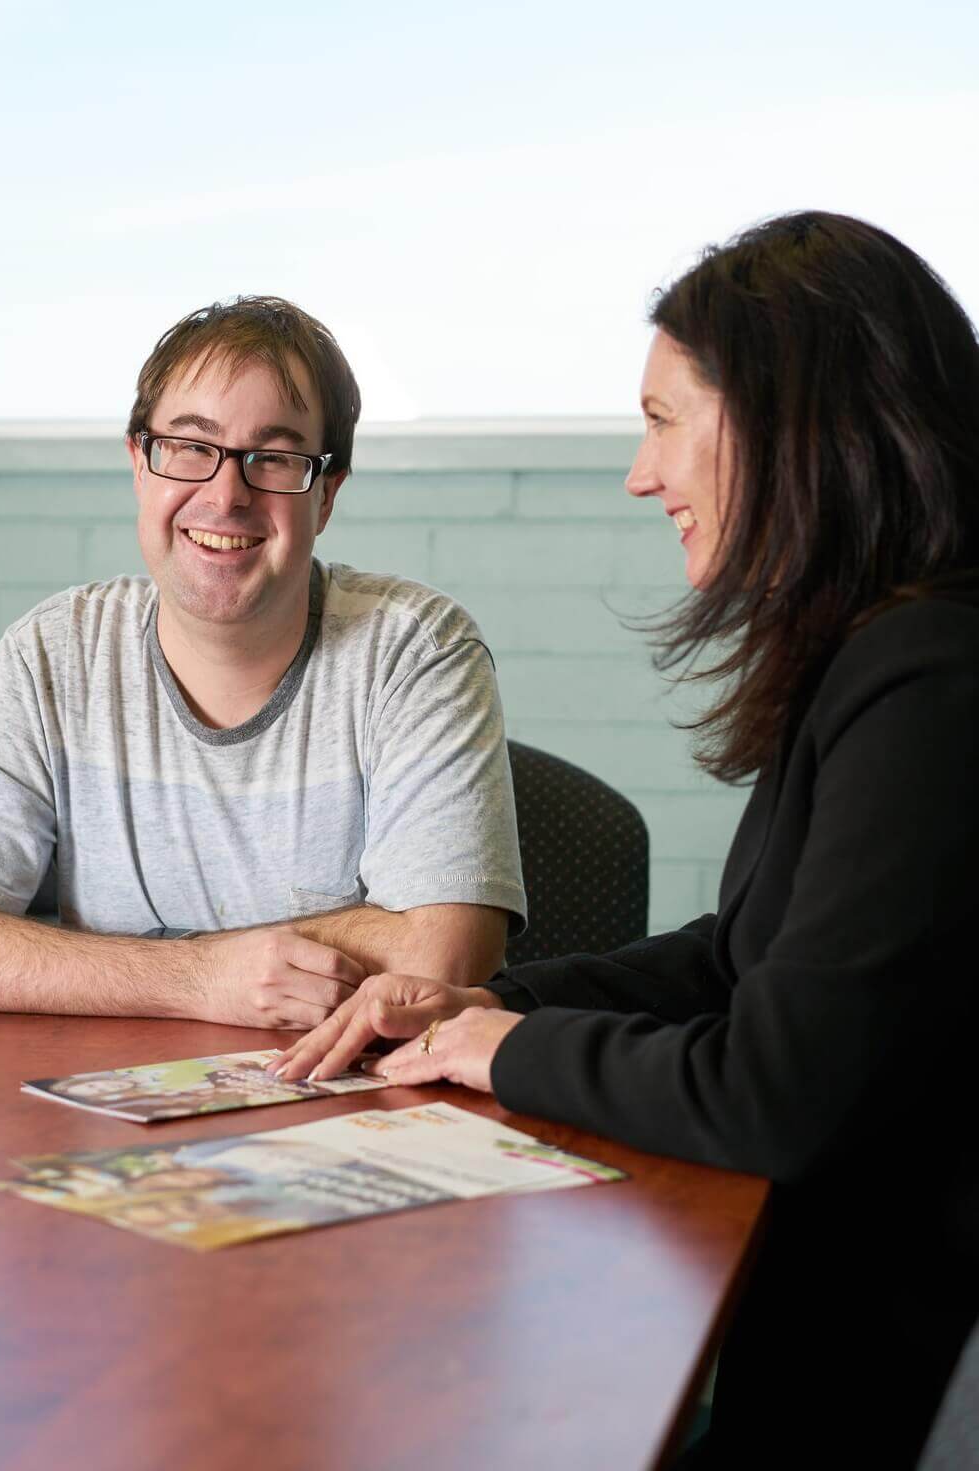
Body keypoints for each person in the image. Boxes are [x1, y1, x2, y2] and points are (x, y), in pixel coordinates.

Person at [272, 213, 979, 1466]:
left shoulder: (930, 675)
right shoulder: (882, 649)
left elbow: (772, 1095)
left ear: (787, 422)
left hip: (853, 1388)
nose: (640, 474)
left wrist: (514, 1047)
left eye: (662, 419)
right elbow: (739, 959)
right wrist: (475, 1004)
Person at [0, 296, 524, 1024]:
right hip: (99, 1110)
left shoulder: (415, 651)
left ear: (327, 493)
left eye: (274, 457)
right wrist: (202, 975)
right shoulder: (51, 657)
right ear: (139, 464)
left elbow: (442, 953)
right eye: (190, 445)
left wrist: (92, 965)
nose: (226, 494)